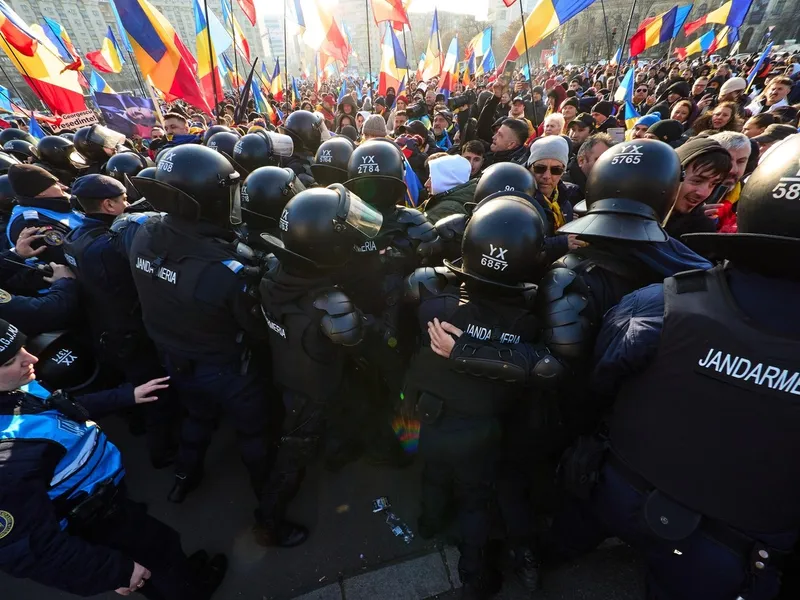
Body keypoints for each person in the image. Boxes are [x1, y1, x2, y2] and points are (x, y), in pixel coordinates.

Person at [551, 133, 800, 600]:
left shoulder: (661, 302)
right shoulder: (664, 292)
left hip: (618, 489)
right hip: (726, 551)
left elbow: (599, 382)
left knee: (564, 541)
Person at [123, 145, 294, 545]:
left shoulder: (142, 232)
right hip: (228, 368)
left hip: (175, 358)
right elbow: (256, 328)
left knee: (198, 419)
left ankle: (183, 480)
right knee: (256, 437)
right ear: (209, 199)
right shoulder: (227, 271)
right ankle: (270, 518)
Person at [0, 317, 227, 598]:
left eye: (21, 347)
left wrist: (126, 396)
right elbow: (28, 549)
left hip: (105, 500)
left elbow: (61, 407)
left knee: (160, 553)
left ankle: (181, 578)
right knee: (158, 559)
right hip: (95, 519)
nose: (31, 358)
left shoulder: (13, 387)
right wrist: (113, 571)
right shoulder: (5, 460)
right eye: (9, 360)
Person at [405, 195, 548, 599]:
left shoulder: (430, 300)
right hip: (478, 433)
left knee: (432, 474)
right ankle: (474, 577)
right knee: (475, 501)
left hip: (425, 418)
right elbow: (545, 369)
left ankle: (428, 523)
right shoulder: (527, 325)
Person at [258, 184, 378, 545]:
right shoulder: (329, 303)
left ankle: (336, 450)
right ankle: (268, 523)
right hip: (311, 393)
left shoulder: (273, 270)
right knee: (291, 461)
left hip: (286, 373)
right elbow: (361, 340)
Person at [64, 174, 178, 468]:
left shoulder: (74, 236)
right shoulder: (110, 246)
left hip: (101, 328)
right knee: (154, 392)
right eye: (123, 200)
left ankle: (137, 426)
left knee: (125, 383)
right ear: (107, 204)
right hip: (130, 332)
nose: (126, 204)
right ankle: (163, 453)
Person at [5, 164, 86, 266]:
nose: (63, 186)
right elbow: (70, 258)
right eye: (55, 183)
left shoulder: (58, 204)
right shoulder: (31, 223)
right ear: (40, 192)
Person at [665, 137, 732, 239]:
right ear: (671, 174)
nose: (703, 193)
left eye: (713, 184)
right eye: (697, 181)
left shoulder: (699, 232)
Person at [526, 135, 578, 261]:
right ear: (529, 167)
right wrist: (562, 243)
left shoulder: (564, 200)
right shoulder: (521, 200)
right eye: (540, 168)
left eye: (556, 170)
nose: (547, 176)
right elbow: (517, 245)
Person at [709, 131, 753, 233]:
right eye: (727, 160)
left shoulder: (750, 199)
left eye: (741, 161)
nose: (734, 170)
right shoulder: (688, 193)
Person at [477, 83, 530, 166]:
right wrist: (496, 97)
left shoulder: (514, 168)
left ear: (511, 144)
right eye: (496, 132)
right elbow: (481, 128)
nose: (493, 137)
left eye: (500, 135)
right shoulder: (496, 150)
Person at [422, 155, 476, 222]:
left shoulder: (447, 209)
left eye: (432, 179)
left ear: (447, 180)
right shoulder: (452, 202)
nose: (426, 184)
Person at [562, 133, 615, 201]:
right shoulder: (565, 190)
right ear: (581, 161)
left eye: (609, 161)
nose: (605, 165)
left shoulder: (609, 185)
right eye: (599, 160)